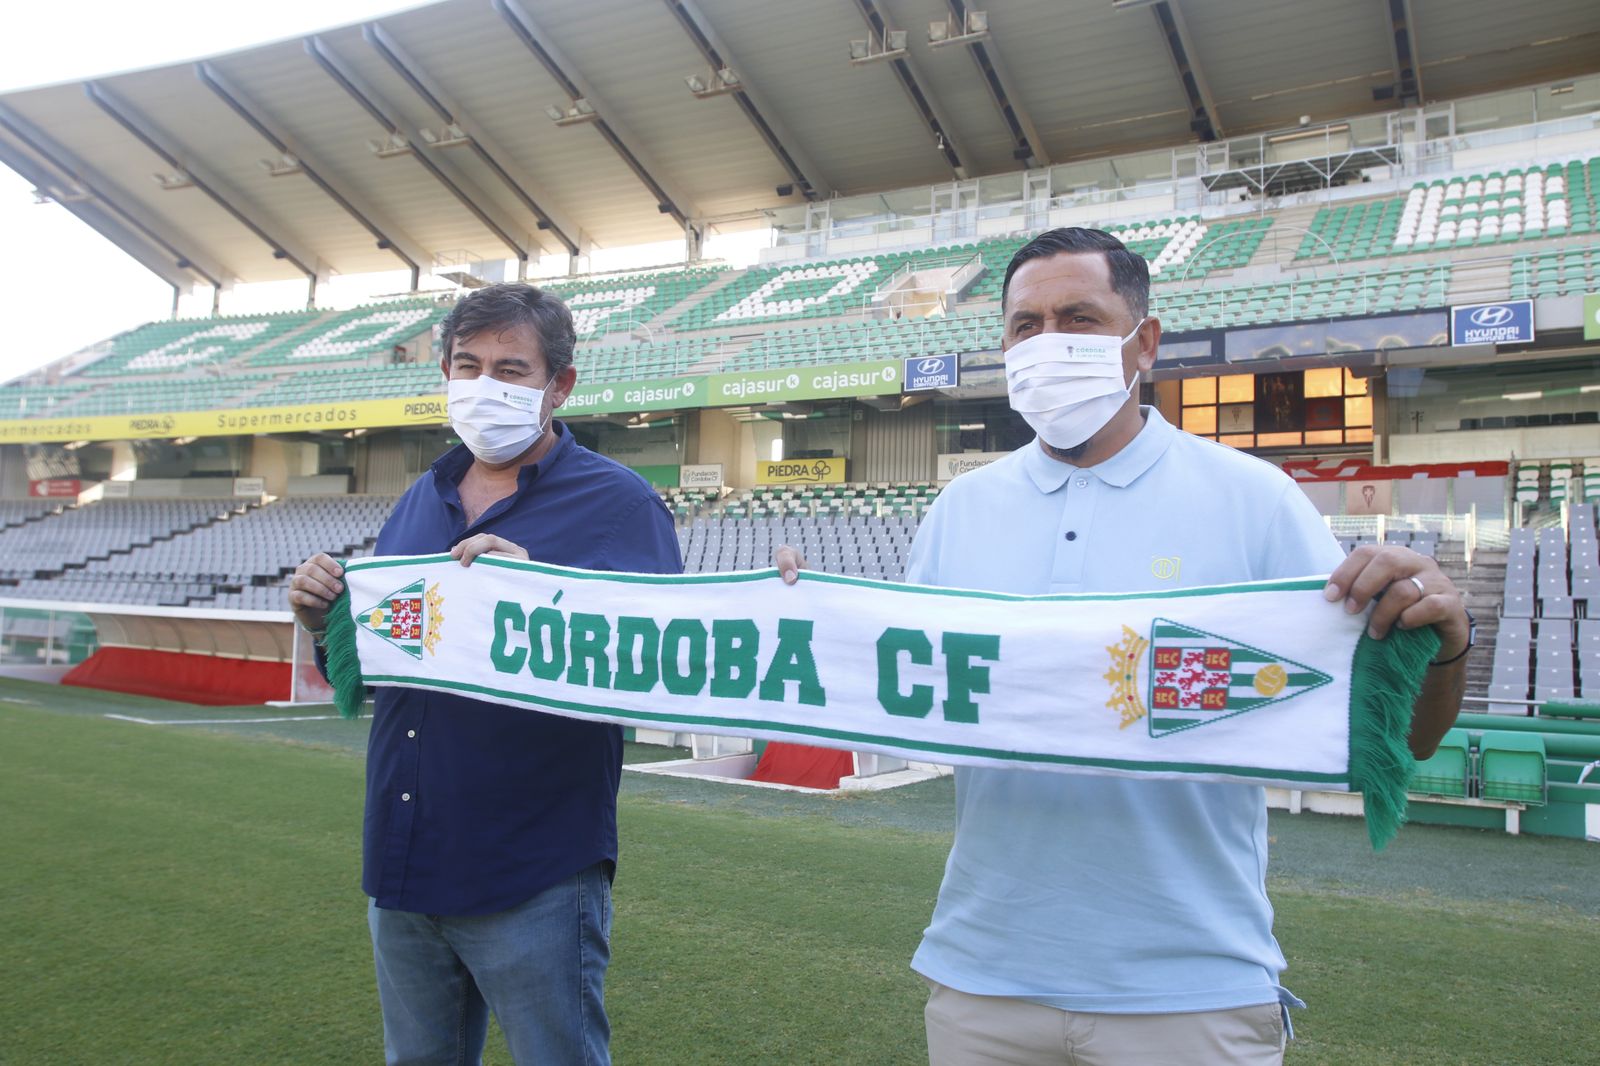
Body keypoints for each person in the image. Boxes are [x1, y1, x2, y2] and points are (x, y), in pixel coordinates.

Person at [777, 228, 1470, 1065]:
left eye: (1078, 318)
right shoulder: (962, 511)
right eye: (1025, 326)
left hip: (1191, 989)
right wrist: (800, 610)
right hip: (982, 981)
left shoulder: (1255, 500)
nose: (1048, 343)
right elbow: (900, 689)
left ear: (1144, 342)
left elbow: (1401, 741)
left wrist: (1444, 642)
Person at [289, 283, 681, 1066]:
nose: (483, 387)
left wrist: (537, 595)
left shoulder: (620, 503)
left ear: (559, 385)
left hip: (531, 866)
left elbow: (656, 669)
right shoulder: (418, 500)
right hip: (403, 855)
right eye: (467, 366)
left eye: (511, 370)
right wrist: (323, 621)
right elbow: (386, 668)